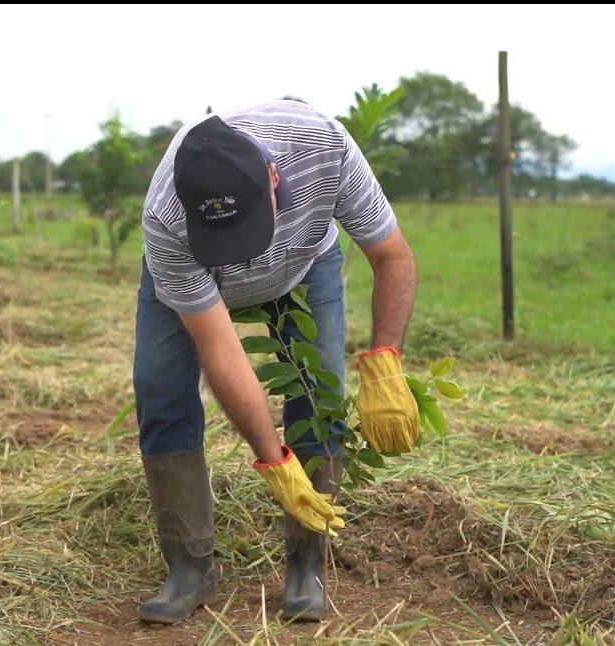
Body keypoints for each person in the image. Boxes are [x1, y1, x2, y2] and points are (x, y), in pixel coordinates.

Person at [133, 99, 420, 624]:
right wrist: (274, 461)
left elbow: (393, 255)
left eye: (245, 227)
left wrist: (385, 362)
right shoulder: (166, 217)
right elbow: (220, 348)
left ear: (272, 176)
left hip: (305, 262)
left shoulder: (324, 148)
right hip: (199, 284)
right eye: (224, 238)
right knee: (160, 389)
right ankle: (189, 569)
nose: (243, 252)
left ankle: (307, 565)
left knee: (319, 392)